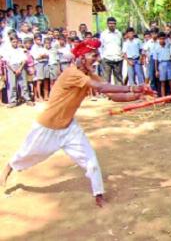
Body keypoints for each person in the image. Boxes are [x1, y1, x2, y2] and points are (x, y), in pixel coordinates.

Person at [0, 39, 155, 207]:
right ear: (81, 57)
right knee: (27, 155)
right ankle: (9, 166)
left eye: (97, 55)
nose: (97, 58)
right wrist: (133, 88)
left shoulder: (89, 75)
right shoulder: (71, 73)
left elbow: (111, 94)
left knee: (92, 163)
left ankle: (99, 197)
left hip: (69, 128)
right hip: (47, 127)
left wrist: (139, 95)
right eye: (93, 55)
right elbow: (102, 88)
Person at [5, 36, 34, 107]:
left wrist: (20, 69)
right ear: (11, 42)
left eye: (16, 42)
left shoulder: (21, 50)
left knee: (24, 84)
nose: (15, 43)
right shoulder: (8, 50)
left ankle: (27, 99)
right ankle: (13, 101)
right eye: (13, 42)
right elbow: (7, 62)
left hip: (20, 66)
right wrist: (14, 70)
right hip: (11, 68)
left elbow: (24, 60)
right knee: (12, 85)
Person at [100, 17, 123, 85]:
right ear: (107, 24)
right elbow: (100, 46)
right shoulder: (103, 34)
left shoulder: (119, 33)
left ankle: (119, 94)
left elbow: (122, 45)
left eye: (113, 23)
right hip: (107, 59)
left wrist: (121, 55)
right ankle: (106, 95)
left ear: (115, 24)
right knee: (106, 79)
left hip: (118, 59)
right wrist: (102, 57)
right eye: (110, 23)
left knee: (118, 79)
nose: (112, 25)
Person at [154, 32, 171, 97]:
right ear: (158, 39)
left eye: (163, 39)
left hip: (169, 63)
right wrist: (156, 70)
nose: (162, 40)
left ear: (165, 39)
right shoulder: (156, 48)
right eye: (160, 39)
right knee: (162, 82)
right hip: (161, 64)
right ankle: (163, 98)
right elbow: (156, 60)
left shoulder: (168, 45)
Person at [31, 34, 49, 101]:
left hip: (45, 63)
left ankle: (46, 95)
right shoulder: (33, 48)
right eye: (38, 39)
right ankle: (39, 96)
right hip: (39, 64)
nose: (39, 41)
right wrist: (42, 56)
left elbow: (47, 55)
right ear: (35, 40)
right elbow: (36, 57)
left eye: (40, 39)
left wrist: (42, 56)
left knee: (46, 79)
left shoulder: (42, 46)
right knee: (39, 80)